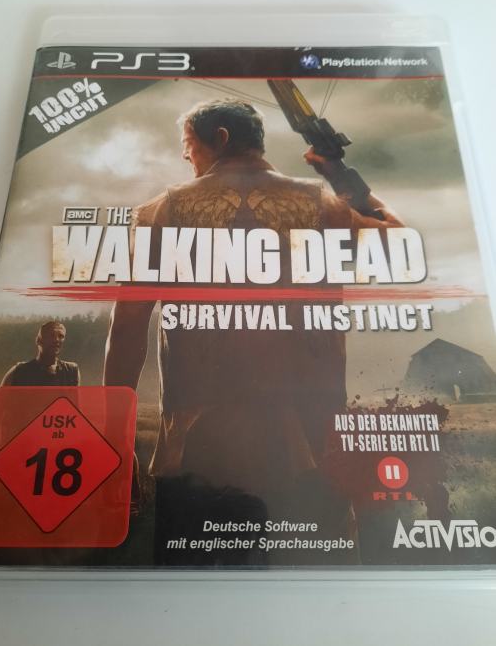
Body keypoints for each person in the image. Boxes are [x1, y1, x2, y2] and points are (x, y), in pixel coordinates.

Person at [103, 99, 402, 565]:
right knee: (320, 596)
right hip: (308, 451)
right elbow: (396, 240)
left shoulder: (162, 211)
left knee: (185, 597)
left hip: (196, 457)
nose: (185, 155)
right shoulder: (321, 204)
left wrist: (115, 444)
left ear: (220, 138)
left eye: (188, 144)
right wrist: (339, 174)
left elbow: (126, 331)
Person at [1, 321, 79, 386]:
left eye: (61, 336)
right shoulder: (18, 372)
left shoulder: (71, 372)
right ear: (38, 340)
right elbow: (1, 399)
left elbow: (75, 400)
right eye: (51, 335)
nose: (56, 340)